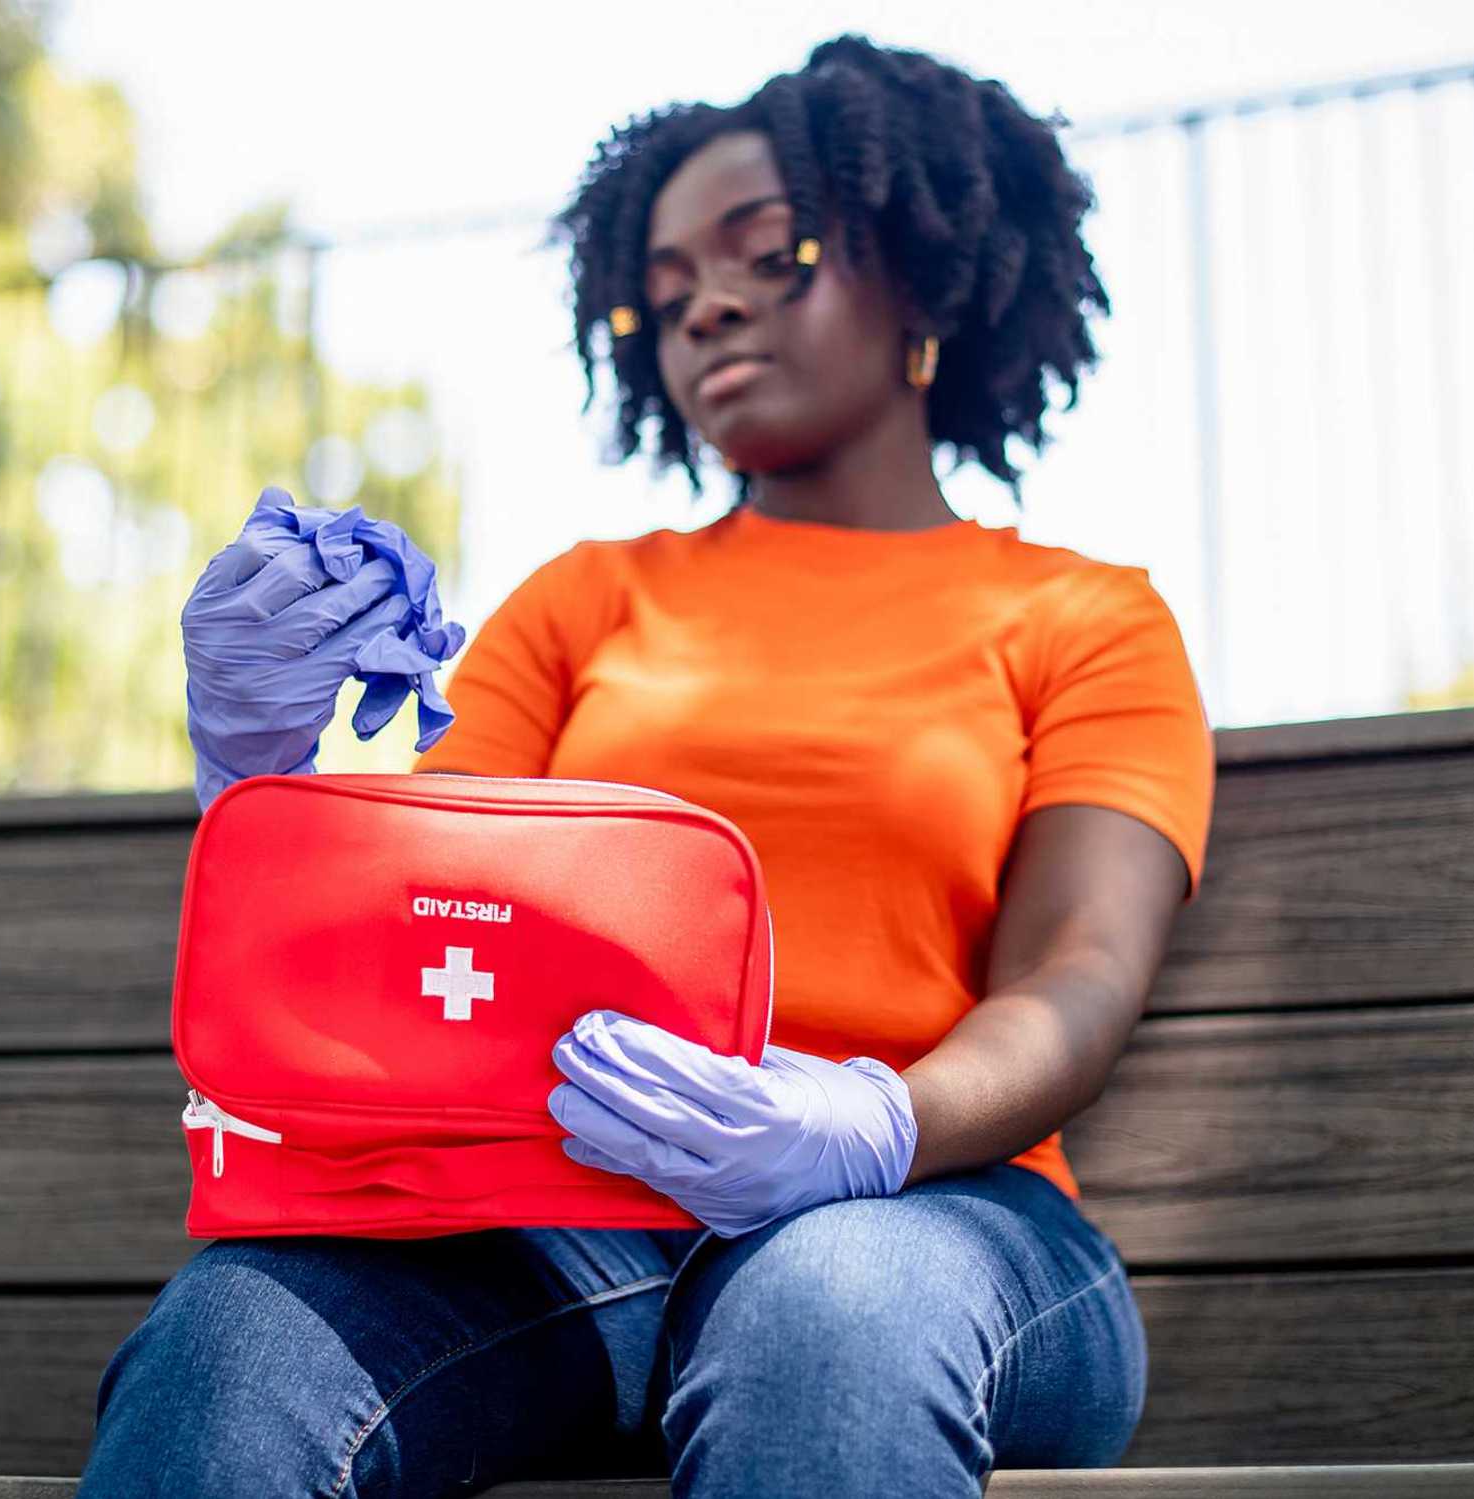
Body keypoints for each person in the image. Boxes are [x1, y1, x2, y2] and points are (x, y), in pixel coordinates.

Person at [77, 33, 1214, 1499]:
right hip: (559, 1227)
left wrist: (872, 1125)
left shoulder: (1083, 617)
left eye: (773, 254)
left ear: (924, 276)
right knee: (236, 1346)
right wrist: (254, 763)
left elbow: (1079, 976)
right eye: (662, 294)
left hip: (946, 1209)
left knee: (828, 1314)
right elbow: (410, 931)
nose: (709, 308)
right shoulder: (589, 600)